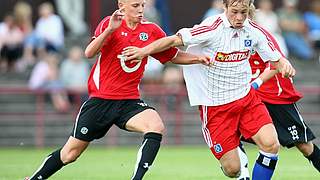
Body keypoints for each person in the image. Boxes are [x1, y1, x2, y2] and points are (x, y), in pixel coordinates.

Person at [25, 0, 209, 179]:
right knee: (69, 154)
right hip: (101, 100)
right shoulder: (110, 23)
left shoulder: (151, 30)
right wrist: (110, 30)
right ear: (122, 6)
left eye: (142, 5)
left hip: (129, 100)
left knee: (155, 126)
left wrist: (199, 59)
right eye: (135, 5)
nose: (140, 10)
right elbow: (89, 53)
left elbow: (173, 56)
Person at [122, 0, 296, 179]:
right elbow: (175, 40)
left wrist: (284, 64)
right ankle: (233, 154)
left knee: (271, 144)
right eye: (234, 12)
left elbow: (276, 58)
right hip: (215, 107)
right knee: (233, 169)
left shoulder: (254, 31)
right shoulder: (212, 28)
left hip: (246, 99)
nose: (239, 17)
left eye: (243, 12)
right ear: (225, 7)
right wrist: (143, 51)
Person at [240, 4, 320, 176]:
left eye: (243, 14)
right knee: (232, 133)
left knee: (304, 146)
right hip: (250, 96)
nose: (238, 18)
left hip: (275, 95)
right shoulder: (227, 35)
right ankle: (241, 172)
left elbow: (277, 62)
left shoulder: (262, 35)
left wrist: (256, 83)